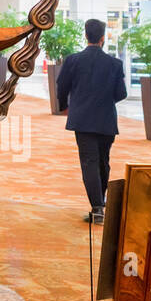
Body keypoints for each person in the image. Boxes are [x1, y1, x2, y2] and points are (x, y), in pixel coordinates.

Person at [56, 18, 128, 225]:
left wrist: (65, 106)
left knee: (89, 162)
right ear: (103, 38)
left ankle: (97, 208)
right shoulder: (115, 64)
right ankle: (100, 202)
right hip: (106, 120)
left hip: (83, 120)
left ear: (86, 36)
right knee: (103, 161)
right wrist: (104, 101)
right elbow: (121, 93)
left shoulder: (73, 60)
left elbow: (62, 87)